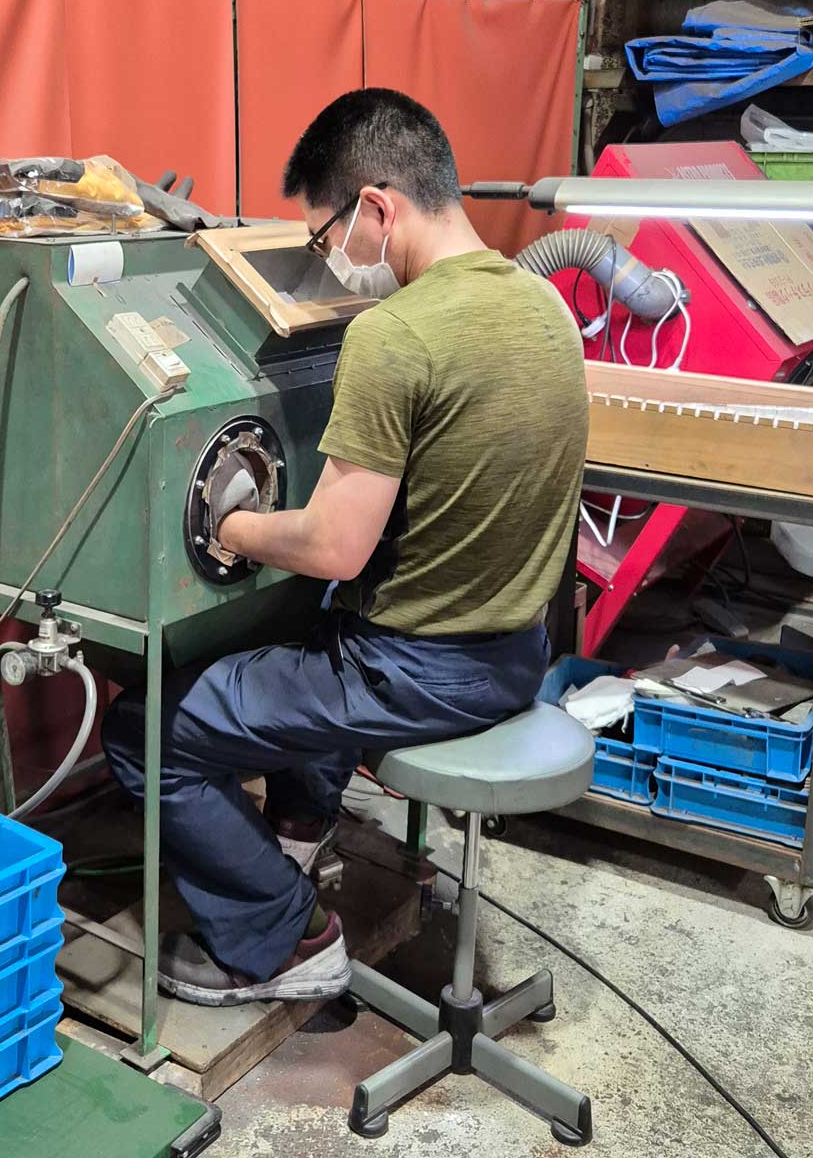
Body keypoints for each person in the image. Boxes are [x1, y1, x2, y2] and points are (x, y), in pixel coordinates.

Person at [101, 88, 588, 1008]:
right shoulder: (544, 306)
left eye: (327, 237)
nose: (333, 261)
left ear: (376, 207)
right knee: (309, 634)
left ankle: (283, 938)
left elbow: (333, 547)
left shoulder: (396, 335)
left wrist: (228, 527)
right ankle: (296, 827)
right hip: (519, 652)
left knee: (143, 730)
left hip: (419, 673)